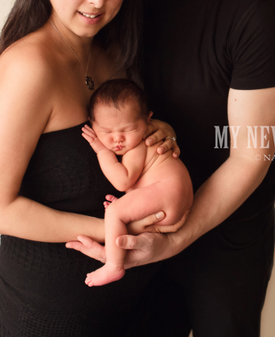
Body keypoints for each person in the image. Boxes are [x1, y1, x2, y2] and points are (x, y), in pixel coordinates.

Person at [66, 0, 275, 336]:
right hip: (139, 220)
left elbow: (252, 156)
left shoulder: (259, 14)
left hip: (227, 240)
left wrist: (173, 241)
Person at [0, 0, 182, 336]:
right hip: (47, 316)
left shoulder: (114, 60)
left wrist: (158, 134)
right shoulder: (30, 66)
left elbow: (118, 160)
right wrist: (111, 229)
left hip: (134, 307)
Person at [81, 79, 193, 286]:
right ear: (92, 124)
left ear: (148, 120)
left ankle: (114, 266)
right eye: (106, 132)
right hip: (172, 195)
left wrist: (101, 150)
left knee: (113, 213)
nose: (117, 139)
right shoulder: (136, 142)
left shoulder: (139, 145)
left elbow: (122, 182)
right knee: (118, 212)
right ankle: (112, 250)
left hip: (167, 190)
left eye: (129, 130)